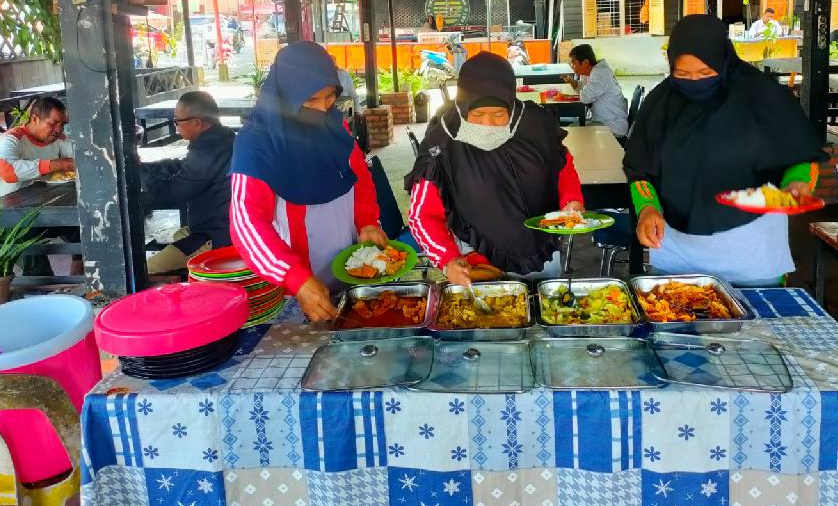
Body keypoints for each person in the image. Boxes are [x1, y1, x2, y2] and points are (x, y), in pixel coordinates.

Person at [623, 14, 826, 286]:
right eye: (682, 74)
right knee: (676, 323)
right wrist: (647, 209)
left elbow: (800, 154)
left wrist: (797, 183)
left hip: (751, 251)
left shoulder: (762, 96)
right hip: (677, 254)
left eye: (706, 73)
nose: (694, 81)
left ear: (723, 59)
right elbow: (640, 171)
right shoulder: (660, 103)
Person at [229, 41, 387, 321]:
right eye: (311, 99)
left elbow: (359, 178)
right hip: (294, 286)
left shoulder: (335, 125)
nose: (322, 108)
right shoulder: (256, 143)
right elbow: (247, 224)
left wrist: (367, 221)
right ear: (286, 94)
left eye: (329, 97)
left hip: (349, 269)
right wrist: (295, 278)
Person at [405, 52, 584, 285]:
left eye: (499, 114)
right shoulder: (443, 141)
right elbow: (422, 216)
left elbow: (562, 167)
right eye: (478, 114)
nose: (488, 125)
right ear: (462, 105)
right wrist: (447, 259)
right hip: (476, 263)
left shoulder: (535, 126)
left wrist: (571, 200)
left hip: (542, 253)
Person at [140, 92, 235, 274]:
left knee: (148, 269)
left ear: (197, 122)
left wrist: (139, 172)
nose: (176, 128)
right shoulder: (221, 137)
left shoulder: (207, 150)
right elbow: (183, 167)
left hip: (216, 237)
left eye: (177, 121)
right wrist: (146, 167)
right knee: (178, 234)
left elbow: (171, 194)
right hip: (222, 226)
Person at [0, 96, 74, 204]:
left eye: (62, 124)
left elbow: (79, 158)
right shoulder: (10, 139)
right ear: (34, 119)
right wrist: (59, 164)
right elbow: (7, 171)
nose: (58, 129)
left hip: (30, 204)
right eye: (53, 123)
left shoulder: (59, 139)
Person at [564, 44, 629, 139]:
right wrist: (573, 82)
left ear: (585, 62)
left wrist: (580, 89)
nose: (572, 66)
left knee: (572, 132)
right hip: (603, 121)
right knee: (572, 129)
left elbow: (585, 97)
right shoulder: (590, 72)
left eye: (574, 63)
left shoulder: (600, 74)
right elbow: (583, 87)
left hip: (612, 126)